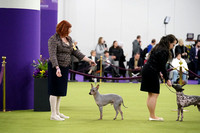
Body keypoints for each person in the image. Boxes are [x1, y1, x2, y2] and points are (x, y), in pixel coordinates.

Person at [48, 20, 96, 121]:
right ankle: (53, 114)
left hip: (65, 67)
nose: (70, 30)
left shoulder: (68, 39)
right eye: (69, 28)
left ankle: (57, 112)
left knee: (60, 91)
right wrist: (57, 67)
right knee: (54, 90)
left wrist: (89, 60)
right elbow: (52, 55)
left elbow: (76, 53)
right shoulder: (53, 39)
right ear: (64, 29)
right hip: (55, 67)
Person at [140, 34, 177, 121]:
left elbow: (156, 63)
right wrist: (167, 79)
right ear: (169, 42)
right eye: (173, 45)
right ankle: (152, 116)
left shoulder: (158, 47)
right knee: (155, 94)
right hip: (151, 71)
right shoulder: (164, 51)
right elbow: (163, 66)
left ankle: (151, 115)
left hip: (147, 70)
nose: (173, 47)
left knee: (151, 94)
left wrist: (159, 73)